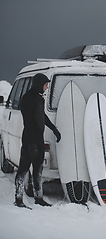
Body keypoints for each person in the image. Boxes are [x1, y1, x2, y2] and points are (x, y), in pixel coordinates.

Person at [14, 73, 61, 209]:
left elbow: (42, 116)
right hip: (30, 141)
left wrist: (54, 129)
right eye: (46, 85)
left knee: (38, 170)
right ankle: (18, 199)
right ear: (39, 84)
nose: (47, 87)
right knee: (23, 170)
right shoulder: (27, 99)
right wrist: (32, 144)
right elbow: (27, 124)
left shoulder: (39, 98)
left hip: (39, 140)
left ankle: (38, 198)